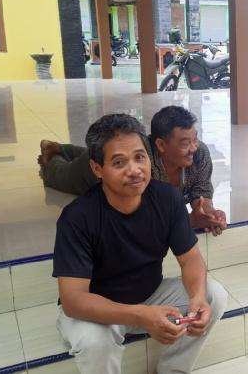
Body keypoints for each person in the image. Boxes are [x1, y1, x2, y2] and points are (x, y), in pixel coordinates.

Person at [52, 113, 228, 373]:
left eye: (139, 157)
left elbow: (190, 259)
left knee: (214, 296)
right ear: (97, 169)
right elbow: (73, 300)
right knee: (94, 342)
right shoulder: (77, 218)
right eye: (119, 162)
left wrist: (198, 298)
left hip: (150, 295)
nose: (134, 170)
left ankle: (173, 370)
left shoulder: (168, 199)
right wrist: (141, 315)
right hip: (99, 309)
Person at [38, 106, 227, 236]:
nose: (194, 147)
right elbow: (143, 218)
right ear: (161, 145)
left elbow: (201, 190)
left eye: (195, 139)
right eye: (185, 143)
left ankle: (65, 148)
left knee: (95, 154)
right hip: (91, 174)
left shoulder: (199, 153)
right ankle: (51, 154)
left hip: (109, 157)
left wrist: (209, 213)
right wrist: (190, 221)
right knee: (61, 176)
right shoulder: (142, 166)